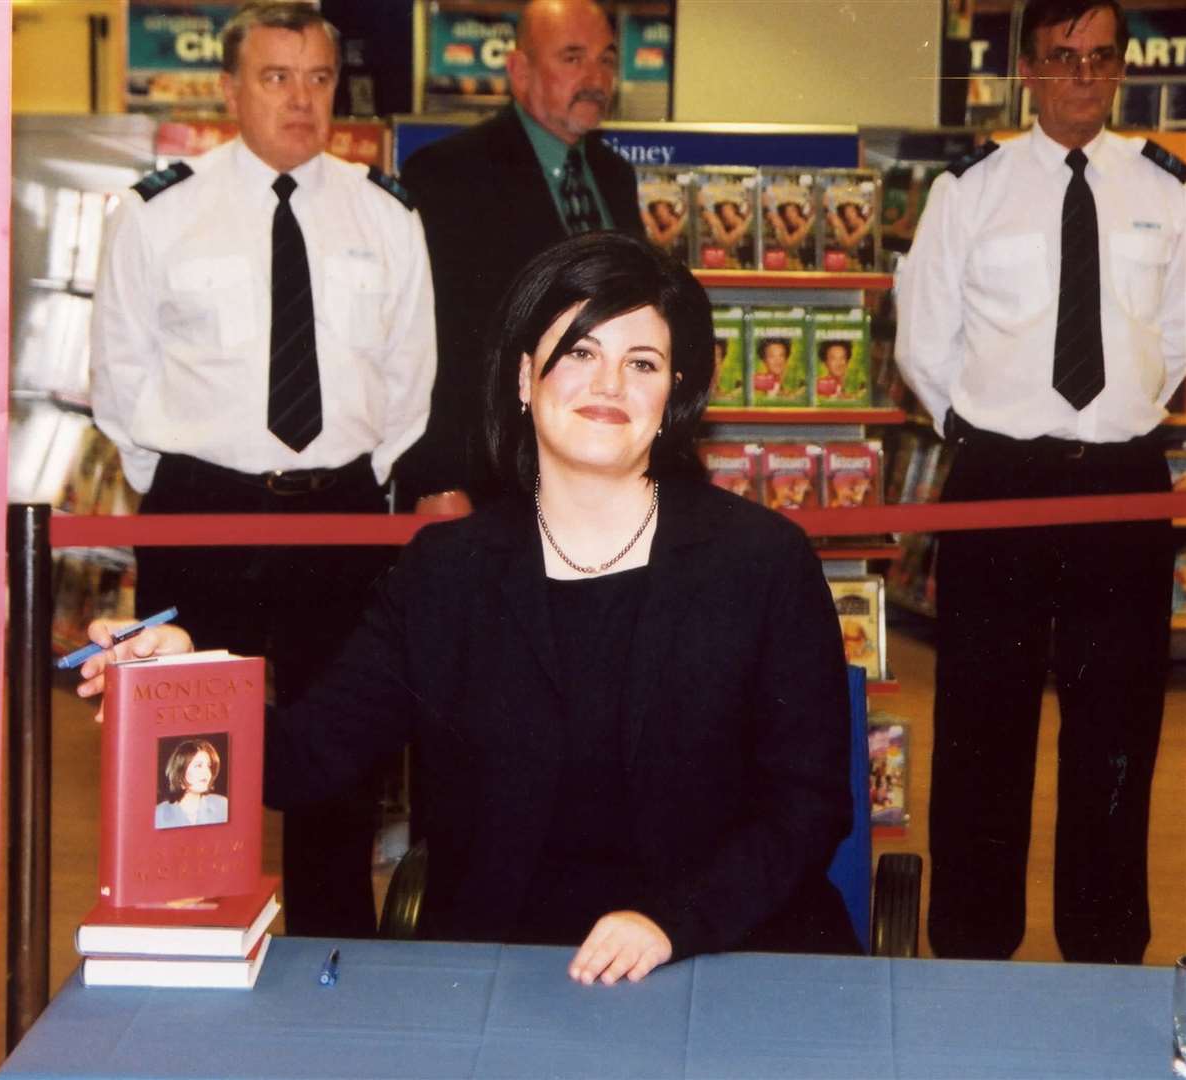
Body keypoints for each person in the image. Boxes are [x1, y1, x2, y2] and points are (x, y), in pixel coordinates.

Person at [78, 233, 860, 984]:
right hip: (502, 969)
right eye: (579, 352)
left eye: (642, 362)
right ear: (524, 379)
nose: (609, 384)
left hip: (719, 952)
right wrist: (184, 686)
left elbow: (807, 804)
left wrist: (670, 923)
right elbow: (310, 759)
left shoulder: (760, 561)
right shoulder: (445, 572)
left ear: (676, 393)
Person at [89, 1, 435, 938]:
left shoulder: (385, 215)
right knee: (190, 759)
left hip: (339, 518)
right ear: (231, 88)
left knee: (341, 763)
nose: (300, 99)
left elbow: (410, 381)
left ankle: (336, 961)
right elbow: (120, 384)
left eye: (318, 78)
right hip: (205, 514)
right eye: (276, 77)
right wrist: (194, 481)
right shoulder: (160, 211)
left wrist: (353, 480)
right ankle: (191, 939)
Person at [894, 0, 1186, 964]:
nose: (1082, 78)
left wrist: (1114, 418)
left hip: (1123, 487)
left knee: (1116, 732)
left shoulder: (1164, 190)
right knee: (983, 725)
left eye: (1099, 58)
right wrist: (987, 435)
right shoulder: (969, 191)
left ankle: (1104, 949)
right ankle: (973, 946)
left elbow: (1176, 340)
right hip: (1001, 482)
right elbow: (923, 345)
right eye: (1063, 58)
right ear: (1026, 67)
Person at [394, 0, 644, 512]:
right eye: (572, 58)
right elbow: (428, 343)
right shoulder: (448, 175)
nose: (595, 78)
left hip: (600, 471)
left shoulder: (615, 175)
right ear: (519, 70)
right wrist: (437, 477)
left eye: (606, 60)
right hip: (492, 478)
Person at [155, 739, 229, 829]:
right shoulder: (158, 814)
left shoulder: (222, 805)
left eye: (209, 766)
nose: (207, 772)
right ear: (180, 771)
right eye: (199, 766)